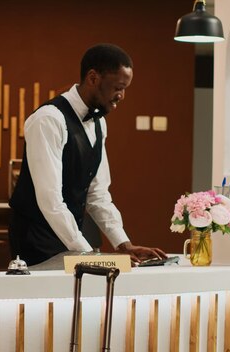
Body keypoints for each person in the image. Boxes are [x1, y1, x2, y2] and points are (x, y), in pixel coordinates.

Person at [9, 43, 167, 266]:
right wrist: (90, 255)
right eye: (118, 87)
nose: (122, 96)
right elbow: (50, 200)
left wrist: (123, 243)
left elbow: (97, 193)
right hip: (37, 243)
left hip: (72, 241)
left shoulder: (99, 123)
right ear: (93, 78)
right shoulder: (48, 120)